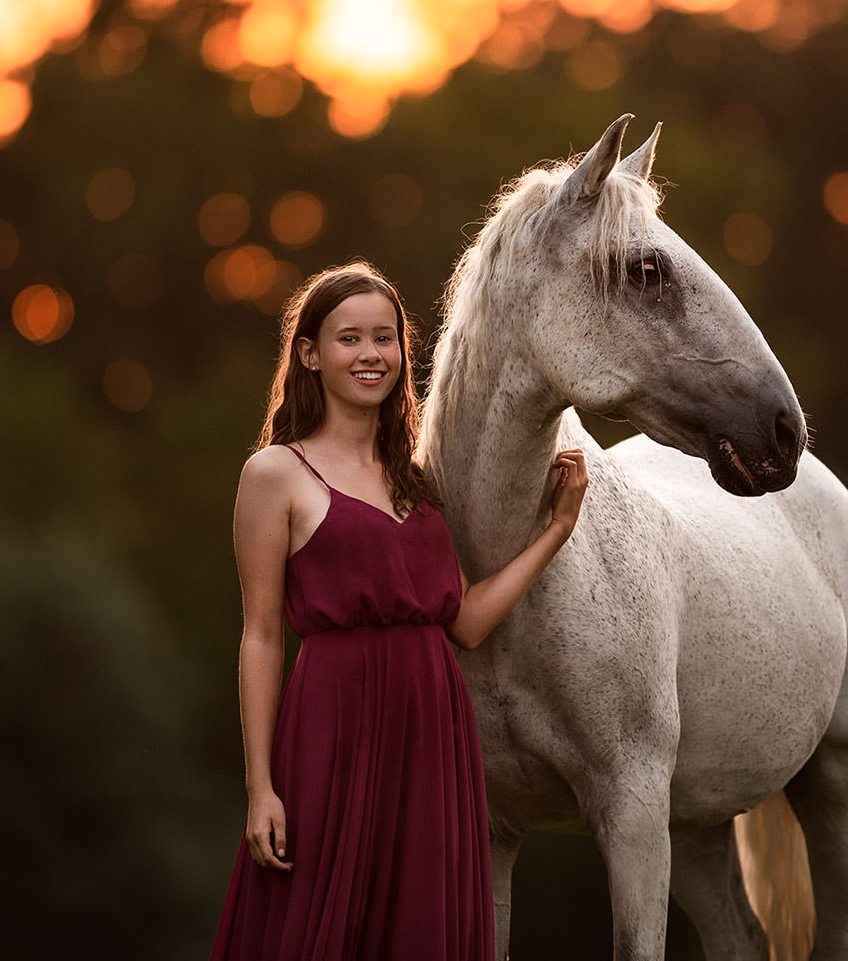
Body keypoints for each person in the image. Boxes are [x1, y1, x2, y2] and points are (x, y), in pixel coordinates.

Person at [209, 261, 587, 960]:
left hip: (433, 736)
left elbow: (465, 623)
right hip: (333, 729)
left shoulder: (417, 479)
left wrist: (556, 530)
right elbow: (261, 636)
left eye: (385, 338)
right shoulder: (274, 474)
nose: (371, 354)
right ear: (309, 354)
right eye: (349, 338)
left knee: (418, 927)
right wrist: (260, 788)